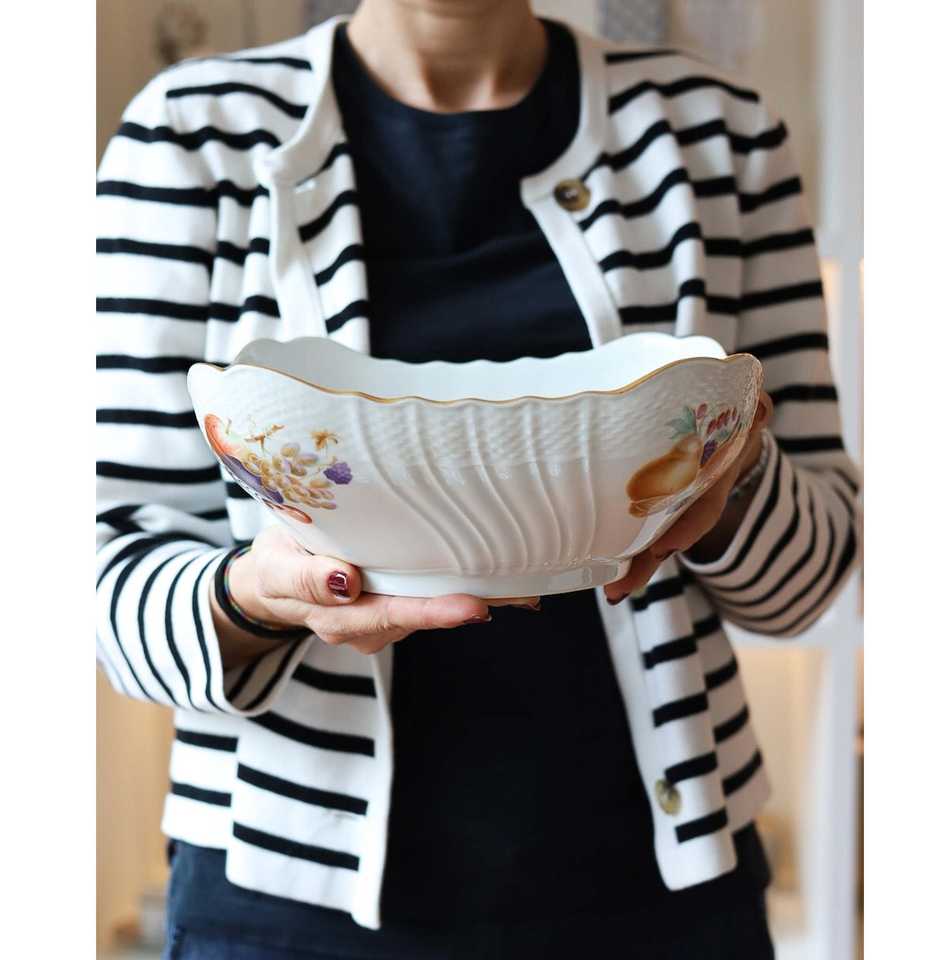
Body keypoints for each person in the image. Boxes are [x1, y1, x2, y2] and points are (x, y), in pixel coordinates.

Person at [95, 2, 861, 957]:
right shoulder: (192, 134)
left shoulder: (716, 132)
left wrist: (728, 480)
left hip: (666, 896)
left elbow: (808, 585)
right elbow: (107, 576)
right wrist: (255, 599)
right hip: (285, 901)